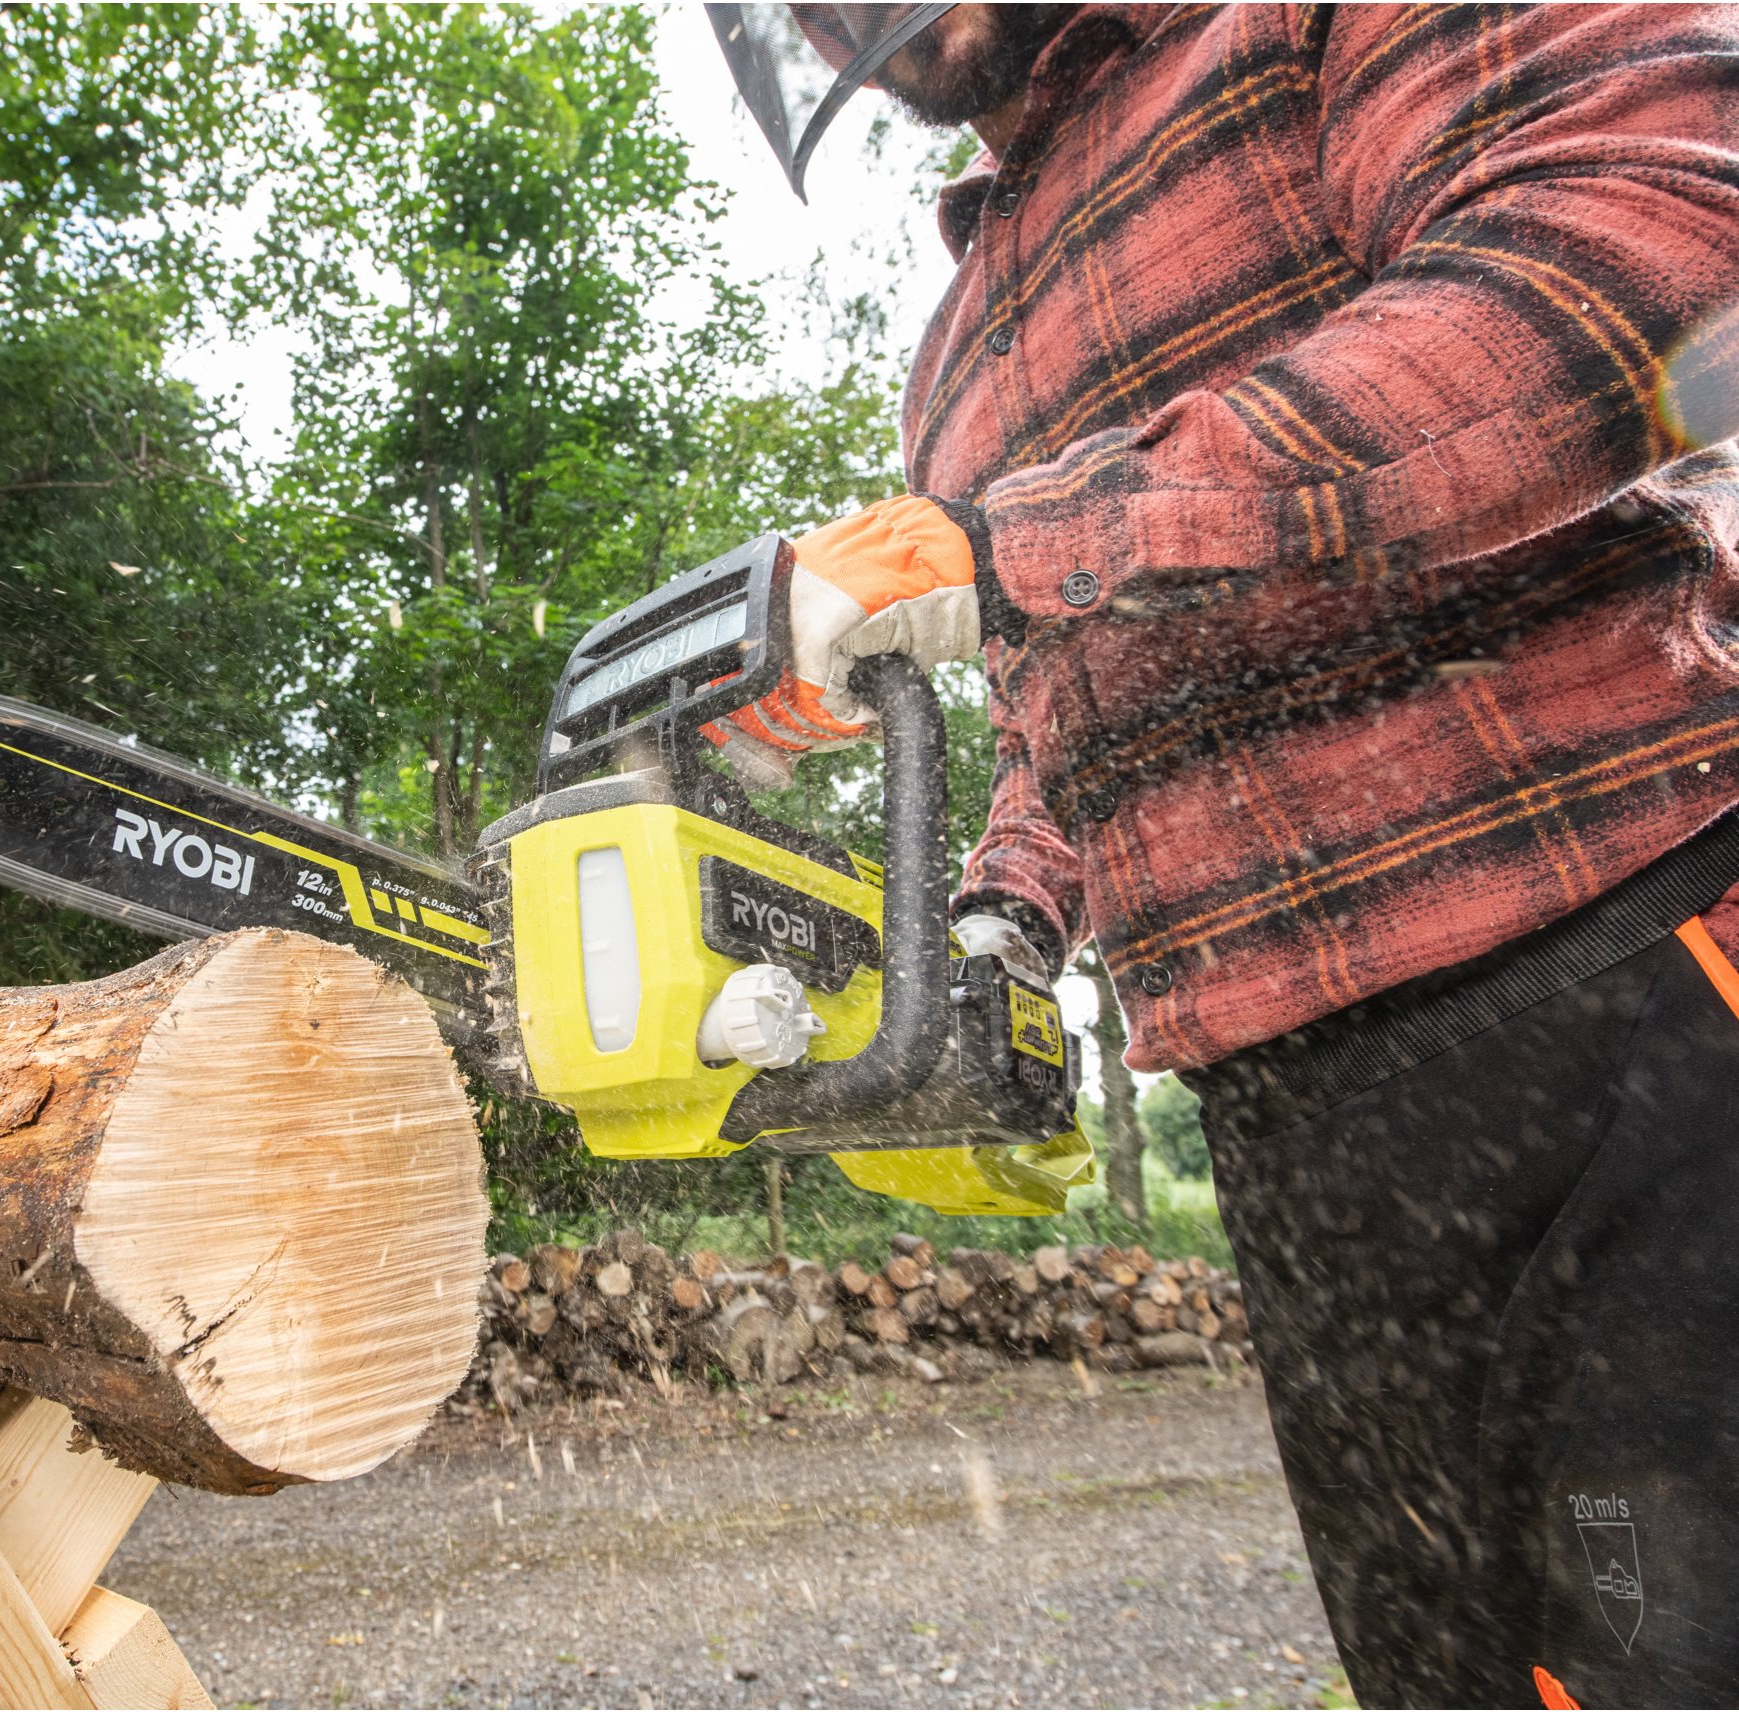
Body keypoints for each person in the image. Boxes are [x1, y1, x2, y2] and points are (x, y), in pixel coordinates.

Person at [705, 5, 1739, 1706]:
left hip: (1621, 957)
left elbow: (1642, 250)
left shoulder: (1294, 25)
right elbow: (1067, 689)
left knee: (1669, 1660)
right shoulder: (955, 346)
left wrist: (1022, 539)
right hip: (1281, 1099)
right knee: (1457, 1675)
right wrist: (1000, 919)